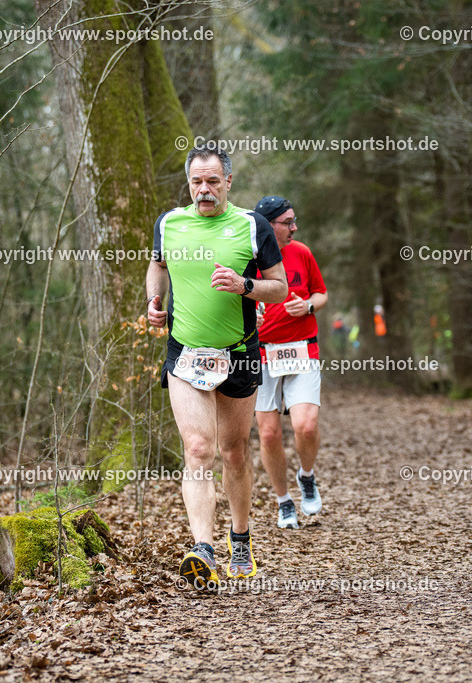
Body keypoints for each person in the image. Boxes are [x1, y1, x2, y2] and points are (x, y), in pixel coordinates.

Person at [145, 144, 287, 586]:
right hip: (185, 353)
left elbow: (279, 288)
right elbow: (157, 265)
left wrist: (245, 285)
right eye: (196, 182)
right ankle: (202, 550)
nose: (203, 190)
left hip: (239, 352)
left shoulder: (251, 226)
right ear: (188, 184)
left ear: (228, 182)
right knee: (198, 449)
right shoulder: (170, 223)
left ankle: (239, 538)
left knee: (233, 452)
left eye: (212, 181)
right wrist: (154, 301)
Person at [252, 196, 328, 530]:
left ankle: (307, 476)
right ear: (269, 225)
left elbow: (321, 293)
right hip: (261, 351)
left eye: (295, 220)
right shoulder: (247, 257)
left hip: (301, 347)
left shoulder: (302, 252)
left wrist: (309, 306)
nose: (295, 228)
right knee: (268, 435)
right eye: (288, 222)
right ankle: (284, 502)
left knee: (306, 426)